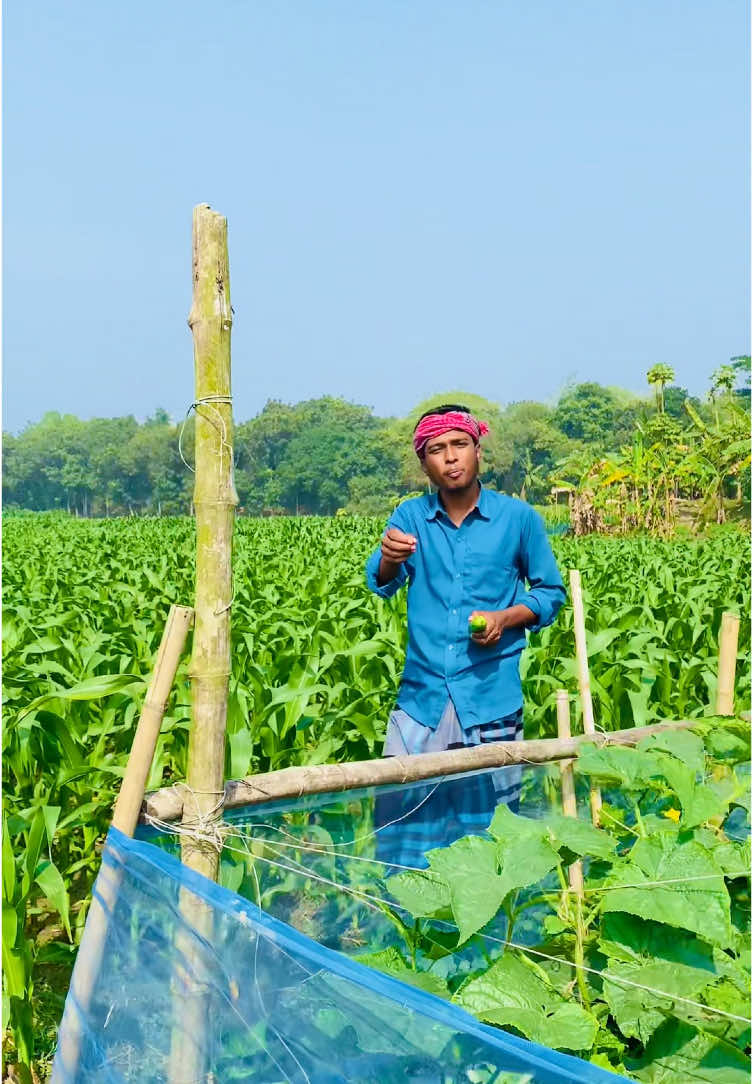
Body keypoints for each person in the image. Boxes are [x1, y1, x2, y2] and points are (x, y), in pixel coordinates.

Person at [365, 403, 566, 867]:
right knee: (403, 830)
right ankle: (410, 926)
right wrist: (391, 557)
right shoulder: (411, 517)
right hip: (421, 702)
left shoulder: (518, 519)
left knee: (492, 841)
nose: (450, 457)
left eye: (459, 445)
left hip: (489, 698)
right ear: (424, 463)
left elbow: (551, 593)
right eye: (437, 449)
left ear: (478, 451)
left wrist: (507, 617)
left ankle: (490, 935)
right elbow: (382, 582)